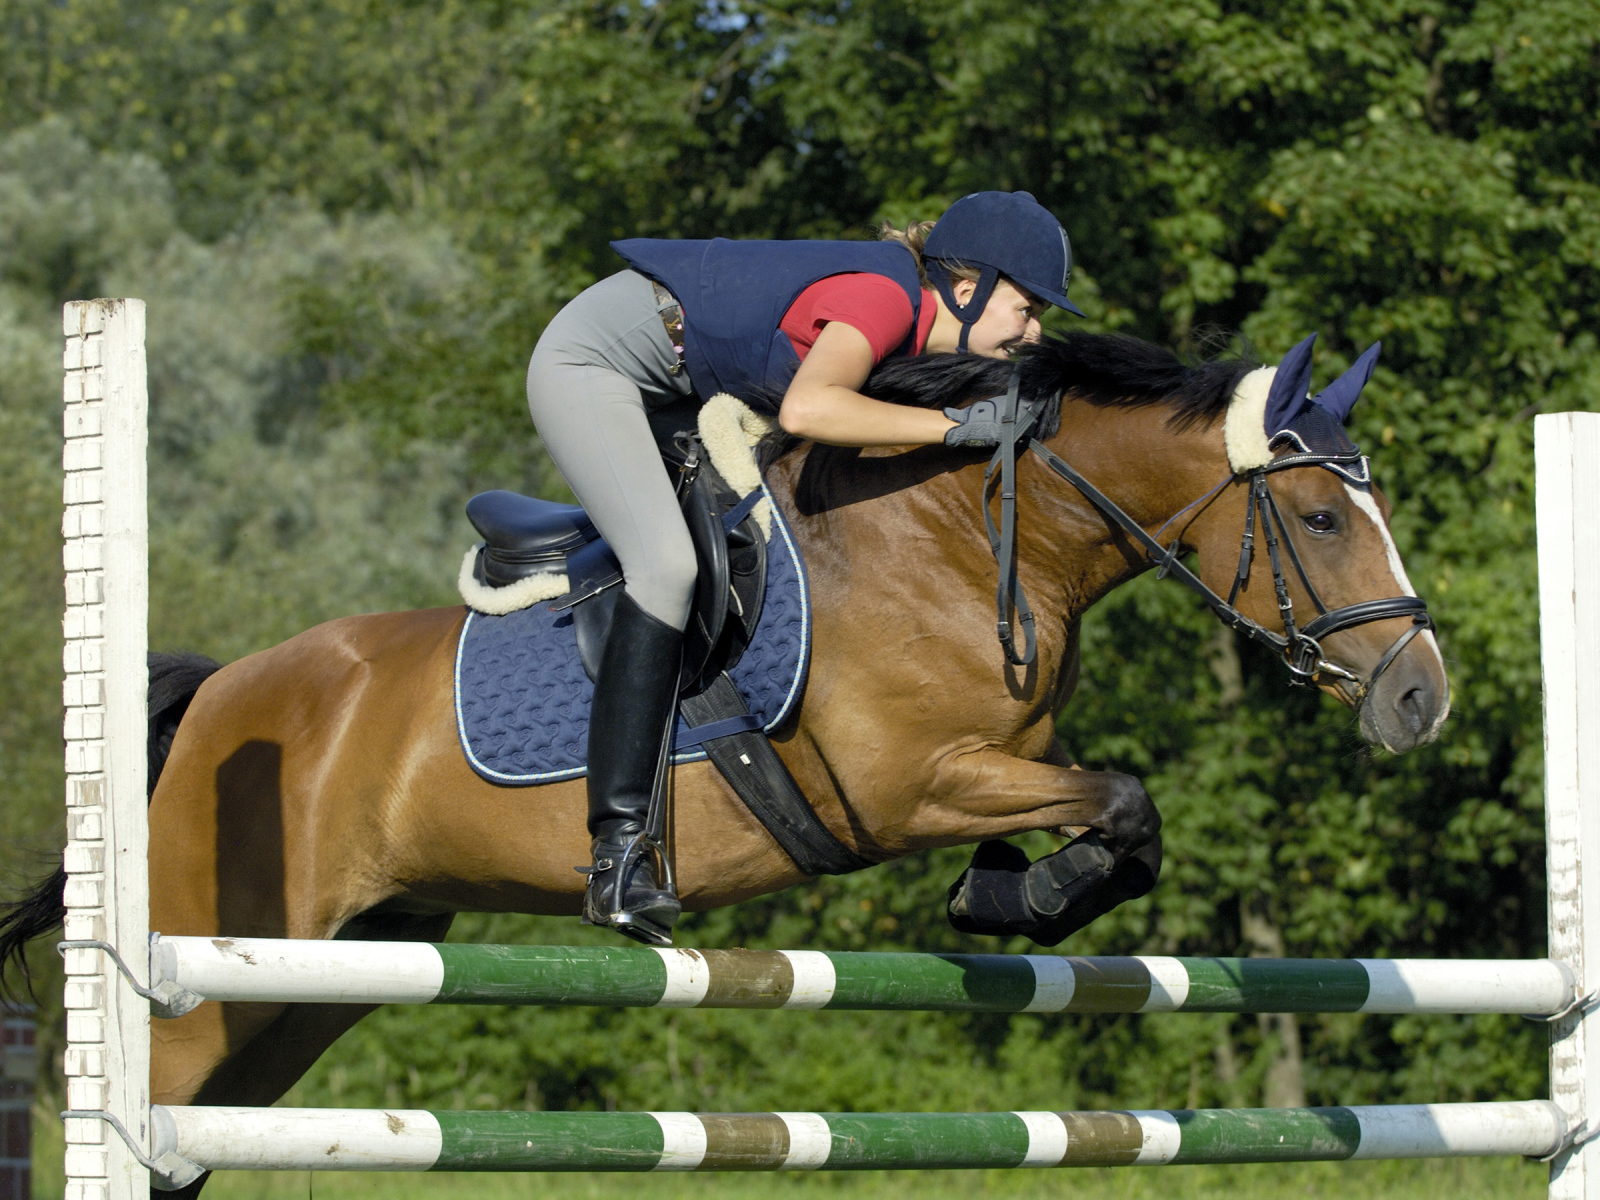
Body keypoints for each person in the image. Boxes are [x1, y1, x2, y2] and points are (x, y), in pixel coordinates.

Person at [526, 190, 1084, 944]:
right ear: (966, 289)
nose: (1036, 330)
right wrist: (956, 427)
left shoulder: (922, 336)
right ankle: (619, 852)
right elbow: (808, 411)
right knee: (665, 567)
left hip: (684, 383)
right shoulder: (884, 300)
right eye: (1027, 308)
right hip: (596, 362)